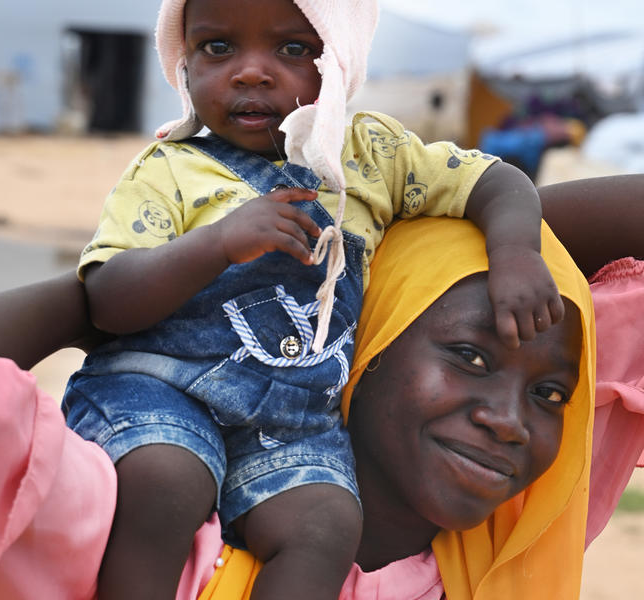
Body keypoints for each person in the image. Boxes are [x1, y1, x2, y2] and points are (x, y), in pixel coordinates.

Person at [0, 174, 642, 600]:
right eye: (468, 356)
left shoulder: (511, 545)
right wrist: (106, 301)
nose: (512, 420)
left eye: (550, 396)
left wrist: (495, 225)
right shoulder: (134, 533)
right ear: (355, 347)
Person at [67, 1, 562, 597]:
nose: (251, 73)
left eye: (294, 49)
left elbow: (495, 180)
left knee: (327, 526)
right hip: (160, 388)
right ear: (184, 63)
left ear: (342, 63)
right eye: (218, 48)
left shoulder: (373, 158)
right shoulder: (166, 170)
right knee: (166, 481)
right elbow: (108, 299)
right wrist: (216, 244)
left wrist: (516, 252)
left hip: (294, 420)